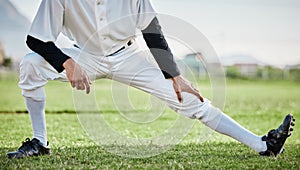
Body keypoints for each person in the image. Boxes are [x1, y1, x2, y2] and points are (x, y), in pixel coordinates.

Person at [7, 0, 294, 159]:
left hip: (129, 55)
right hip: (85, 55)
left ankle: (263, 145)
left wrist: (175, 75)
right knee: (31, 65)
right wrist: (67, 62)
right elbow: (36, 38)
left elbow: (151, 29)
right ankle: (39, 142)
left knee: (189, 100)